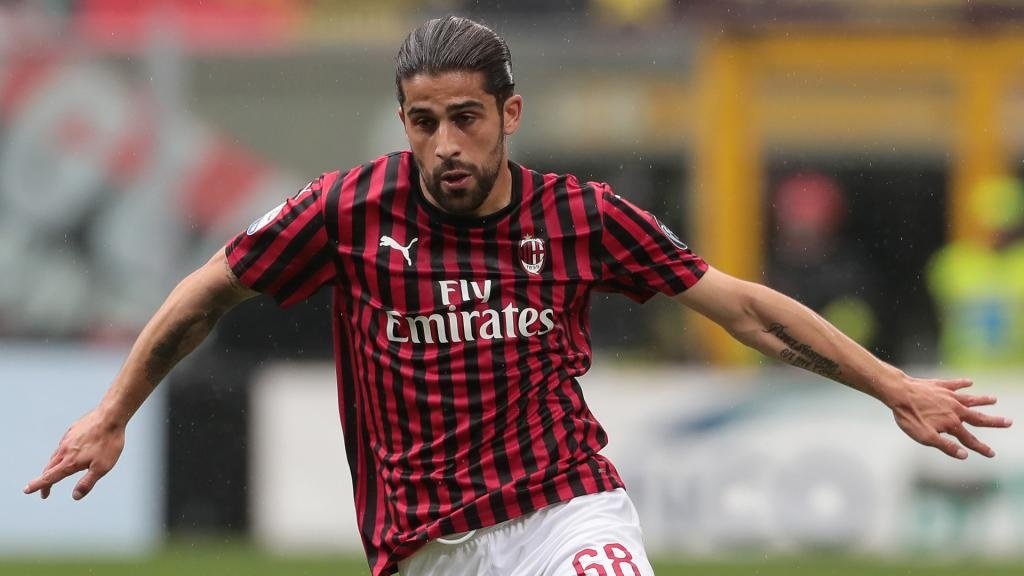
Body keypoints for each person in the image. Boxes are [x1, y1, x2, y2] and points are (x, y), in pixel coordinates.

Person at [25, 16, 1013, 576]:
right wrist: (111, 415)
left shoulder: (580, 216)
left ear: (510, 112)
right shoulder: (345, 210)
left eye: (465, 118)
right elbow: (206, 295)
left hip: (563, 512)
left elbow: (743, 306)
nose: (445, 144)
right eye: (423, 122)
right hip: (421, 548)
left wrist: (893, 387)